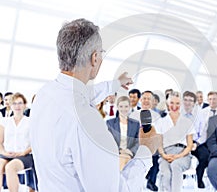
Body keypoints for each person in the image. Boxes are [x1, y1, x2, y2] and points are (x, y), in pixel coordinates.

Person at [30, 18, 159, 191]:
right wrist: (146, 151)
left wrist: (114, 84)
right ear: (95, 57)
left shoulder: (45, 94)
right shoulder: (86, 121)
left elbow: (85, 94)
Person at [154, 91, 195, 192]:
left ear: (181, 104)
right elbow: (159, 143)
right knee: (166, 174)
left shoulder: (187, 122)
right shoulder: (161, 122)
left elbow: (190, 145)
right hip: (166, 154)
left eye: (177, 103)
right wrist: (163, 155)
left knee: (175, 165)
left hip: (183, 154)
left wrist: (178, 156)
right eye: (172, 103)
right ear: (168, 103)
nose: (174, 106)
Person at [0, 92, 34, 192]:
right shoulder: (4, 122)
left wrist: (23, 152)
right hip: (7, 154)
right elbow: (0, 142)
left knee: (10, 167)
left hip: (25, 155)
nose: (17, 106)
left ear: (25, 105)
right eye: (14, 103)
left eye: (20, 103)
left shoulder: (30, 122)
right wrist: (3, 152)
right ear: (10, 105)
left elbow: (35, 144)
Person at [129, 91, 161, 191]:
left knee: (155, 160)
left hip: (152, 146)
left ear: (152, 101)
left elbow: (159, 134)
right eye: (144, 98)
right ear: (141, 100)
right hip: (136, 145)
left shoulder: (157, 116)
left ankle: (150, 182)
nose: (146, 101)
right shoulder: (133, 115)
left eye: (149, 99)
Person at [192, 91, 217, 189]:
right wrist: (197, 142)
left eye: (214, 99)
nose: (212, 101)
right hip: (202, 141)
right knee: (205, 156)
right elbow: (199, 130)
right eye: (210, 99)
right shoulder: (202, 112)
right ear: (207, 100)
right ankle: (200, 178)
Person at [106, 96, 140, 171]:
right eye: (121, 106)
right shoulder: (110, 123)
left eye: (126, 106)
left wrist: (130, 151)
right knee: (122, 160)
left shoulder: (135, 124)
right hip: (115, 153)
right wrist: (119, 151)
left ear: (130, 107)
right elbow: (109, 141)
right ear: (117, 107)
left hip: (129, 153)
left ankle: (117, 180)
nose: (123, 109)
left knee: (124, 160)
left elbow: (137, 142)